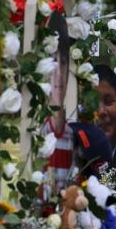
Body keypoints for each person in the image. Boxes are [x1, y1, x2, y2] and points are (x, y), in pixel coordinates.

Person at [41, 12, 75, 200]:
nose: (59, 74)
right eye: (53, 62)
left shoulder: (71, 132)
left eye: (63, 62)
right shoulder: (38, 129)